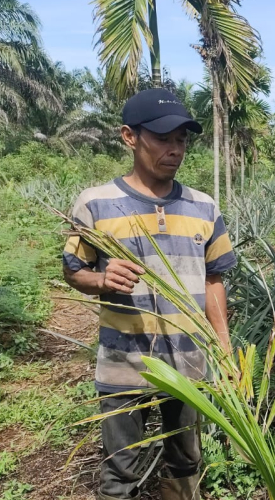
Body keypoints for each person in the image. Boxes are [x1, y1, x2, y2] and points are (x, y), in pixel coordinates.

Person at [62, 88, 237, 500]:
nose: (175, 149)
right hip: (124, 362)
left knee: (187, 462)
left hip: (190, 361)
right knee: (120, 471)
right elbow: (73, 272)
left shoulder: (204, 207)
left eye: (182, 140)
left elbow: (214, 280)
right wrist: (102, 280)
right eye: (163, 138)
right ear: (129, 137)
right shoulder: (96, 204)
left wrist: (224, 349)